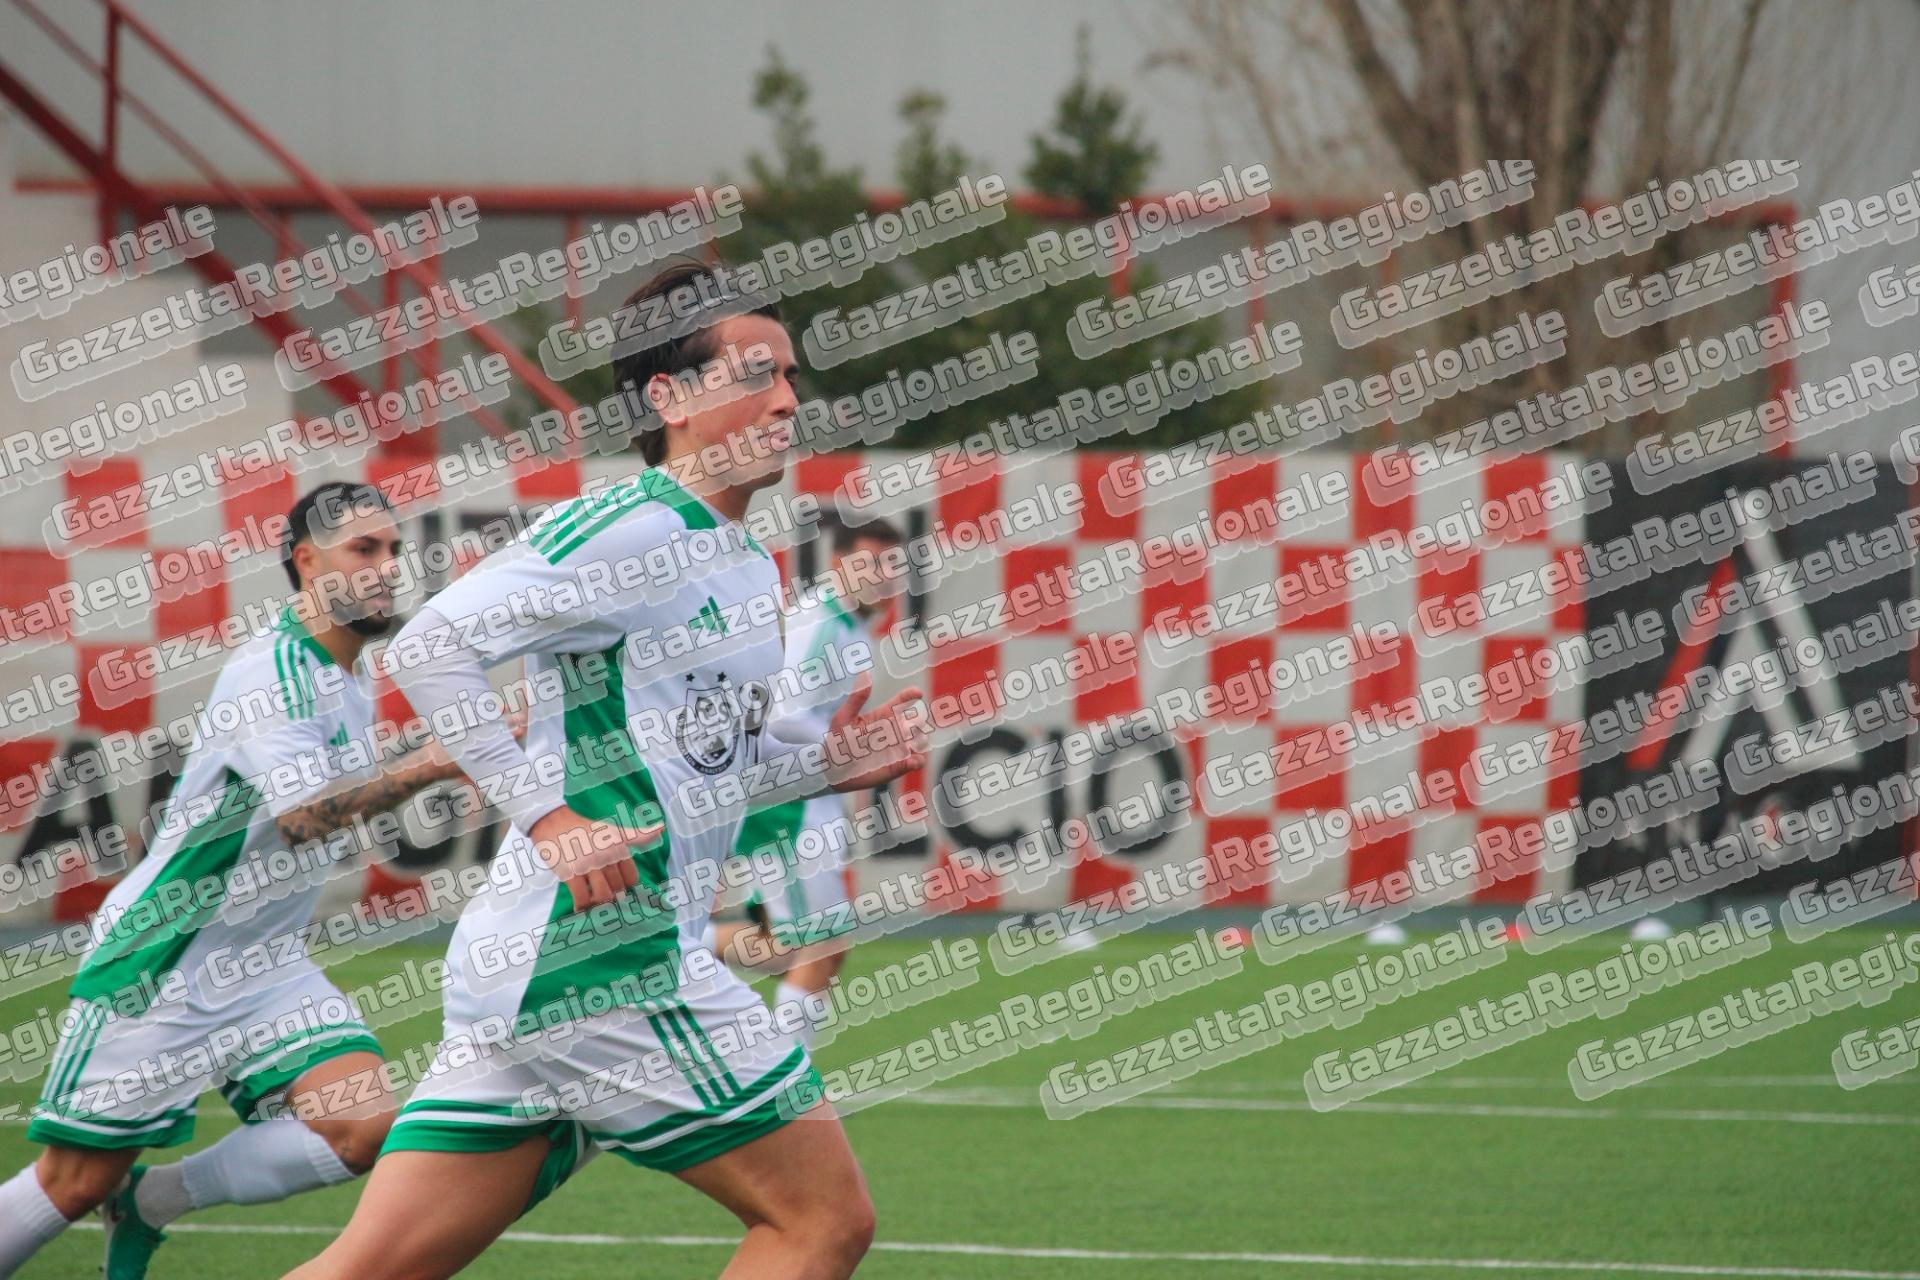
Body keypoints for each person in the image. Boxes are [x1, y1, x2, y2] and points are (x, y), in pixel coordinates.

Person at [283, 259, 926, 1280]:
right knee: (823, 1220)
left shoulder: (741, 560)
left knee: (369, 1269)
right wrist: (548, 818)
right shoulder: (630, 526)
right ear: (669, 397)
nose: (787, 401)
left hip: (545, 963)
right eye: (756, 375)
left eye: (790, 376)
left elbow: (706, 763)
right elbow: (431, 646)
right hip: (601, 958)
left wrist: (821, 765)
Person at [0, 481, 478, 1279]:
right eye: (365, 549)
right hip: (167, 960)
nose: (389, 566)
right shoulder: (274, 671)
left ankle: (152, 1201)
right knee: (74, 1181)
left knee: (366, 1127)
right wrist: (431, 765)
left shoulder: (348, 670)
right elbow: (304, 817)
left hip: (264, 964)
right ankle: (119, 1195)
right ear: (307, 562)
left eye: (394, 549)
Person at [714, 511, 907, 1048]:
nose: (885, 576)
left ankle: (682, 946)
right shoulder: (820, 622)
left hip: (807, 798)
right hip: (789, 805)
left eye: (893, 564)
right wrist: (846, 747)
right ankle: (788, 1079)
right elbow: (783, 718)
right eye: (872, 564)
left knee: (802, 948)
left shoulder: (847, 624)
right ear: (840, 564)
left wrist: (845, 746)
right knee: (821, 947)